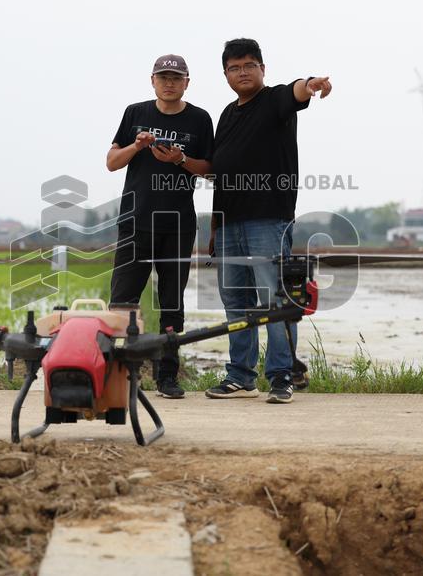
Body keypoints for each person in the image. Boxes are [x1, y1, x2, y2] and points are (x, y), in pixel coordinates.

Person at [204, 38, 332, 404]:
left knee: (277, 300)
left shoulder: (275, 100)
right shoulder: (227, 115)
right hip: (228, 224)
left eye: (249, 65)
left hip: (268, 222)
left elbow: (296, 92)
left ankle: (281, 375)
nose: (242, 72)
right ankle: (241, 377)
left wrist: (310, 84)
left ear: (262, 68)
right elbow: (220, 172)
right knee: (236, 303)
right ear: (226, 74)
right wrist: (215, 227)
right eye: (234, 67)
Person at [106, 54, 214, 399]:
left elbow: (209, 170)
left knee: (172, 302)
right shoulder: (135, 113)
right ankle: (115, 373)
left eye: (176, 77)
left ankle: (167, 376)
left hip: (178, 225)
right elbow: (111, 162)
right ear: (152, 80)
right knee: (123, 300)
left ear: (187, 82)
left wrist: (179, 159)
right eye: (163, 77)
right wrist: (136, 147)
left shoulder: (199, 119)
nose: (169, 83)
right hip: (136, 222)